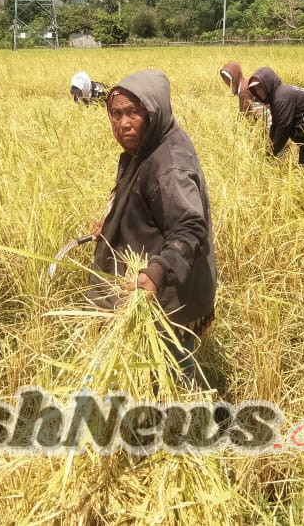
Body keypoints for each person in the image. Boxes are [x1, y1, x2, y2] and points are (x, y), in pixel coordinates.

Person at [89, 69, 217, 382]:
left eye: (133, 112)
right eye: (116, 114)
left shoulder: (169, 165)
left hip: (163, 299)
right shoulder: (149, 146)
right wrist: (111, 220)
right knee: (151, 377)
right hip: (152, 294)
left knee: (170, 376)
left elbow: (189, 226)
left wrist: (157, 272)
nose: (123, 123)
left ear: (153, 112)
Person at [246, 67, 304, 173]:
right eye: (255, 89)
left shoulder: (281, 98)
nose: (259, 91)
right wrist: (269, 146)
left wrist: (271, 153)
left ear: (268, 83)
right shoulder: (279, 95)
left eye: (260, 87)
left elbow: (283, 129)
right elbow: (275, 125)